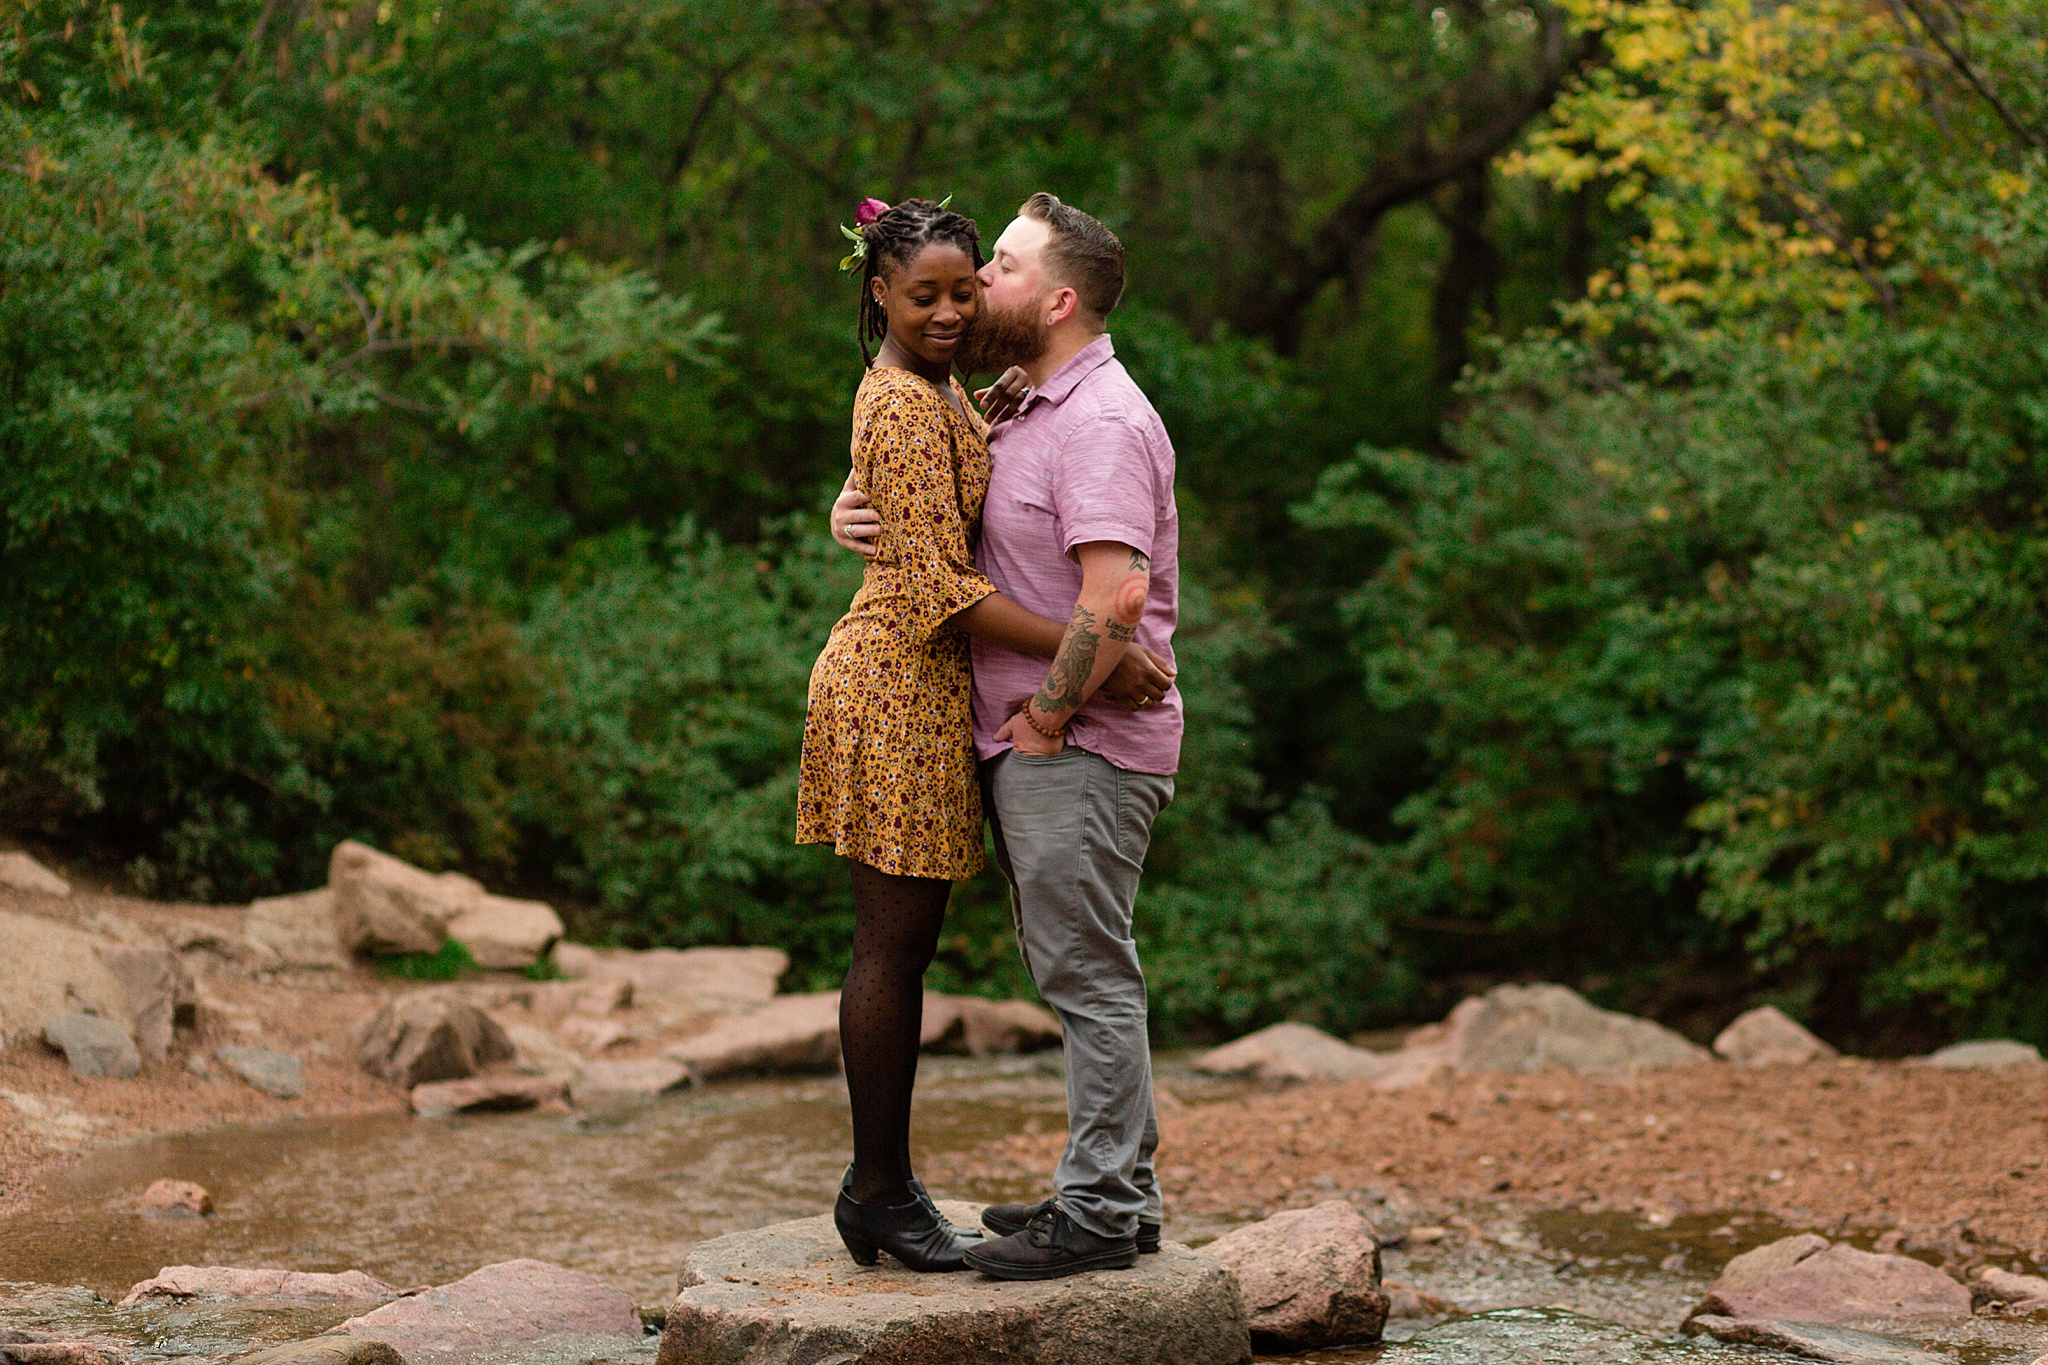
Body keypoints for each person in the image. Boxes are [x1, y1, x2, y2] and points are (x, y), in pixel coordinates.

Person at [797, 197, 1173, 1274]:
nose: (965, 302)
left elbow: (1085, 583)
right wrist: (854, 502)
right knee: (906, 949)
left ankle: (1094, 1204)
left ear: (1047, 300)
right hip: (905, 691)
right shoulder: (961, 396)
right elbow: (927, 556)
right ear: (880, 293)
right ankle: (883, 1192)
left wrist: (1063, 693)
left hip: (1002, 715)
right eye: (940, 290)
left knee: (1055, 966)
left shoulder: (1048, 407)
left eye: (984, 277)